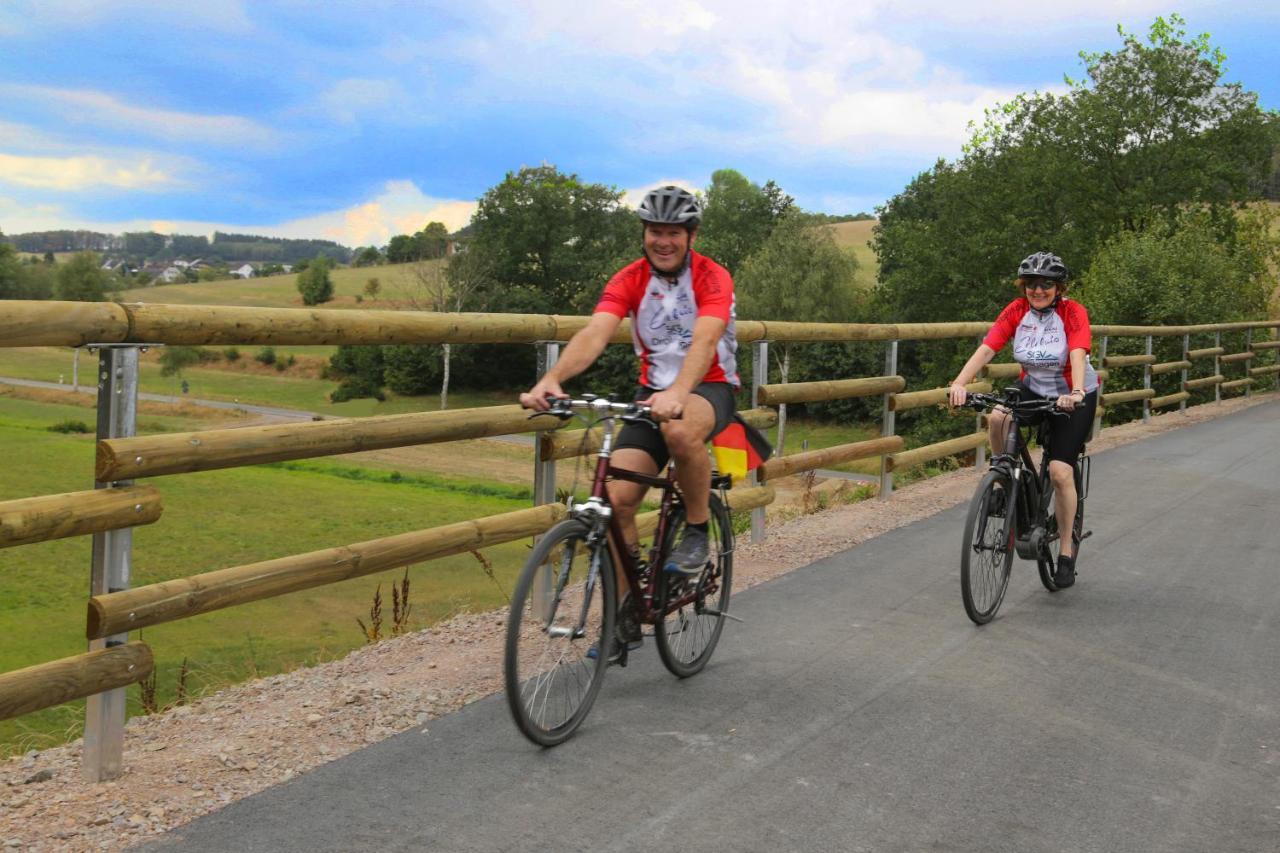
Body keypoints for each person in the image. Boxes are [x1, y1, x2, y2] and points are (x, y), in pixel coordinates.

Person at [520, 184, 739, 588]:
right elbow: (595, 333)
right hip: (651, 394)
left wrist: (679, 392)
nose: (663, 241)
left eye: (674, 232)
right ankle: (622, 621)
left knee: (679, 428)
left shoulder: (712, 277)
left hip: (710, 387)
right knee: (615, 502)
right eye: (655, 231)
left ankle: (695, 530)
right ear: (644, 234)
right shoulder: (629, 279)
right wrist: (553, 378)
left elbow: (706, 339)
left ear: (692, 236)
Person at [947, 251, 1099, 588]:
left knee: (1060, 472)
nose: (1038, 290)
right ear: (1024, 286)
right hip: (1033, 386)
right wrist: (960, 383)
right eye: (1032, 283)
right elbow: (988, 348)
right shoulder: (1017, 311)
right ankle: (1004, 481)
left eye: (1046, 284)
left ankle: (1064, 550)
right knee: (999, 417)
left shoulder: (1072, 312)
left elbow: (1077, 351)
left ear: (1058, 287)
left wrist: (1074, 392)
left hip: (1074, 394)